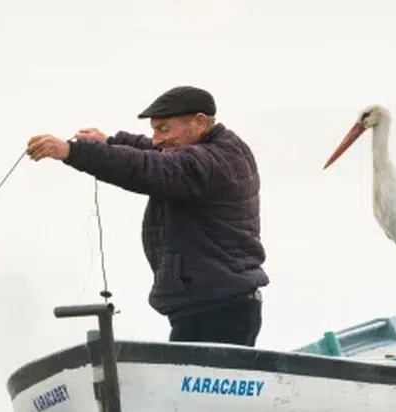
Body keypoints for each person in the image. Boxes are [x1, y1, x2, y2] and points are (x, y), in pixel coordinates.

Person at [25, 85, 270, 347]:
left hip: (218, 310)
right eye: (154, 130)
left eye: (163, 129)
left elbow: (146, 166)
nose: (156, 139)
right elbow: (153, 152)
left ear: (199, 122)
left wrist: (71, 152)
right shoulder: (215, 148)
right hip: (214, 303)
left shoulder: (211, 161)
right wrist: (110, 143)